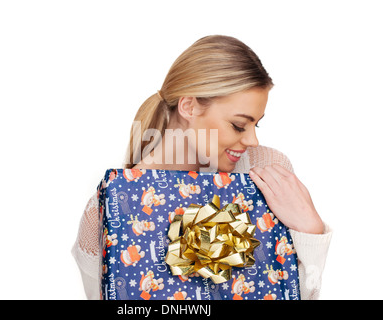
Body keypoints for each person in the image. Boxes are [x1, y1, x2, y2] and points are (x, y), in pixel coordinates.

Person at [72, 35, 332, 300]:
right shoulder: (111, 204)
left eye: (257, 124)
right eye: (239, 125)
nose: (252, 140)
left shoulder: (266, 172)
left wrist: (310, 230)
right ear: (189, 106)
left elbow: (295, 292)